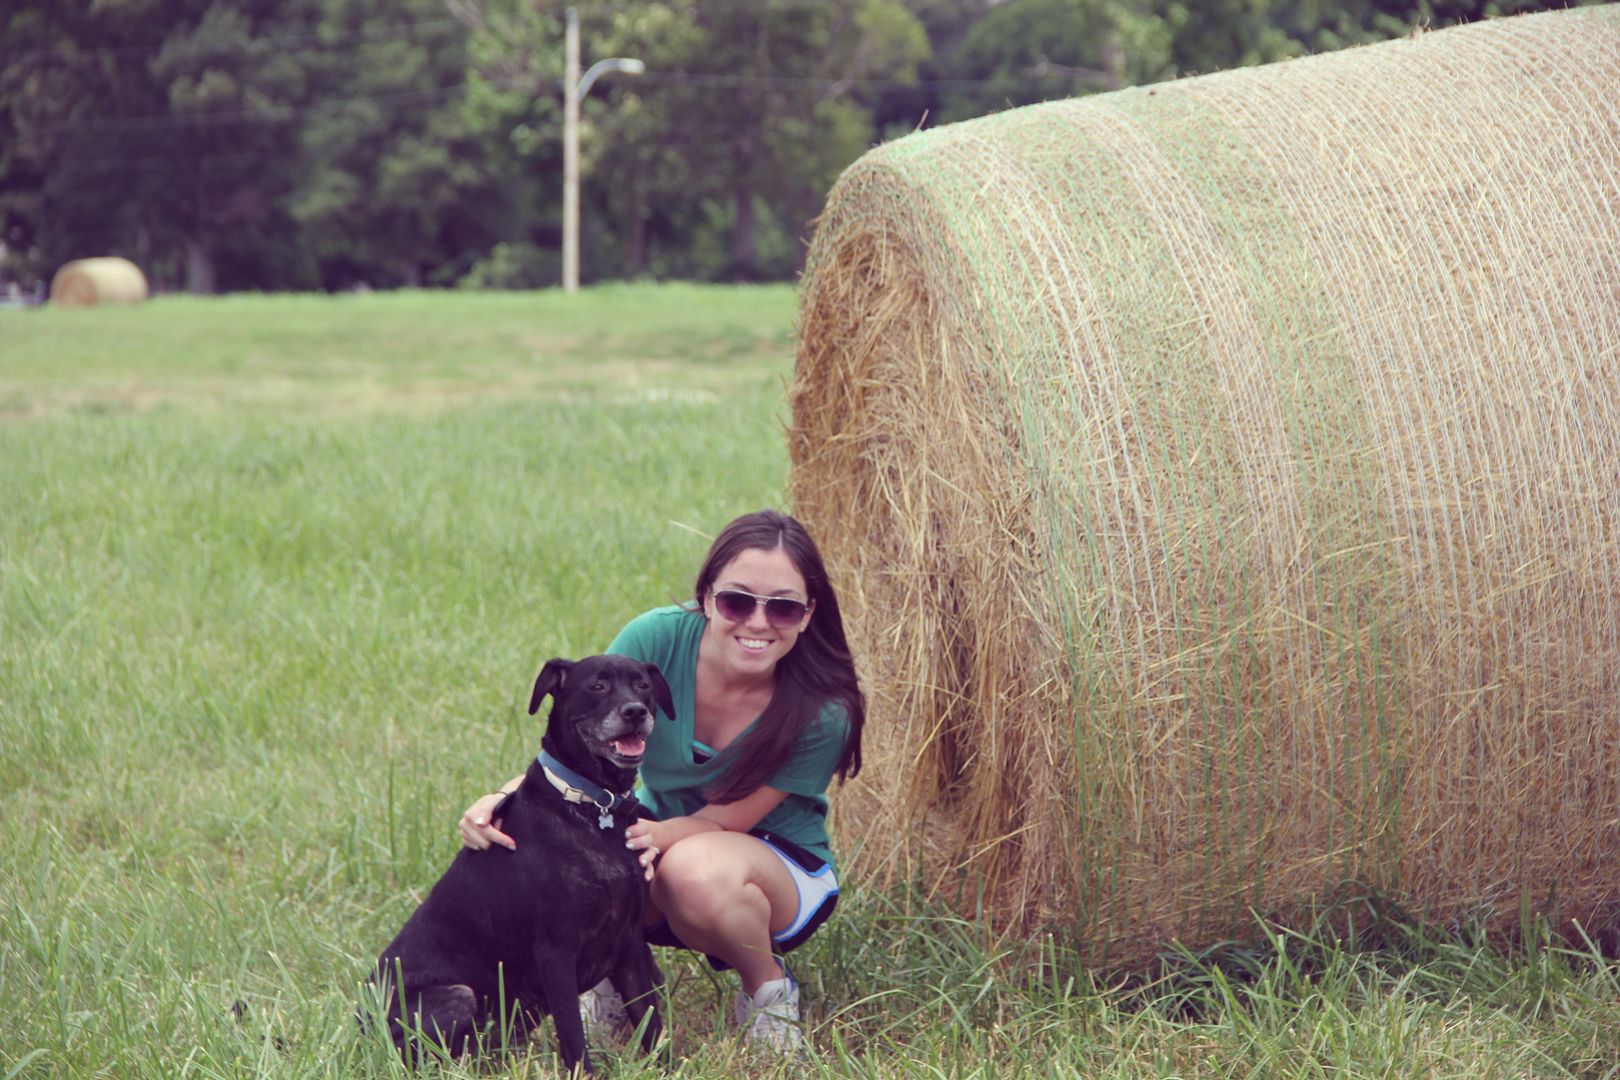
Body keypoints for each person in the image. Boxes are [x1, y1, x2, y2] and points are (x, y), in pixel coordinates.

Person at [458, 509, 866, 1051]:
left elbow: (730, 818)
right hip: (665, 826)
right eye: (737, 601)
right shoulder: (655, 639)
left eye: (784, 608)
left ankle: (768, 991)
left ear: (808, 614)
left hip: (775, 857)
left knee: (684, 871)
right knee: (576, 857)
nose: (758, 623)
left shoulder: (823, 710)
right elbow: (581, 743)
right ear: (706, 596)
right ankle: (602, 981)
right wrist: (504, 799)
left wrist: (649, 839)